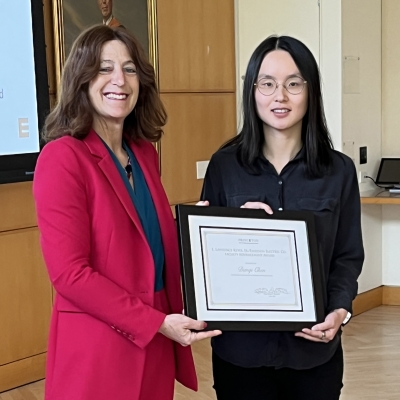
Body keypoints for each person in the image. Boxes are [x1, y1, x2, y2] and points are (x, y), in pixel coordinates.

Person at [33, 25, 221, 400]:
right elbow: (69, 274)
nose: (119, 79)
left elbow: (137, 236)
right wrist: (155, 322)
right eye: (104, 68)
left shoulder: (143, 153)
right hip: (100, 345)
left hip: (155, 336)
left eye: (130, 68)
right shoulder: (62, 158)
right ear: (81, 79)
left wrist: (214, 226)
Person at [200, 35, 364, 400]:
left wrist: (340, 311)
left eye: (293, 83)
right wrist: (234, 231)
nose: (280, 96)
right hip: (241, 354)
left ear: (310, 90)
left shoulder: (339, 171)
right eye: (267, 84)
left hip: (313, 351)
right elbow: (207, 262)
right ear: (252, 90)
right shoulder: (224, 166)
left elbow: (347, 256)